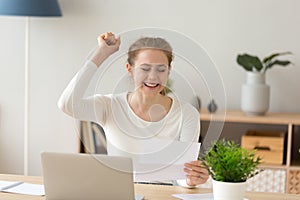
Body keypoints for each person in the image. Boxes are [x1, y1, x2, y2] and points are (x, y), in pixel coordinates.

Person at [58, 32, 209, 187]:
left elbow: (181, 175)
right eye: (145, 68)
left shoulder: (187, 114)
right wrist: (101, 53)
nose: (153, 77)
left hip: (163, 194)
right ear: (130, 69)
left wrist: (191, 179)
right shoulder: (110, 105)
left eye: (161, 69)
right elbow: (67, 105)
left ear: (168, 72)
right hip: (121, 193)